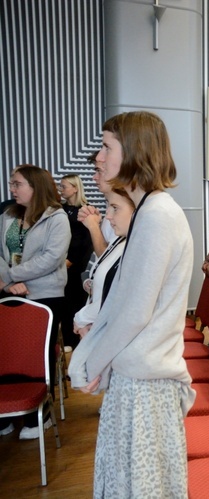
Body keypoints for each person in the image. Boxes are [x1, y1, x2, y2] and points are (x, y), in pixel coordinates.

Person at [68, 111, 194, 497]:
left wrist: (92, 360)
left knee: (141, 487)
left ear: (135, 150)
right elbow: (124, 299)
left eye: (106, 146)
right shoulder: (150, 212)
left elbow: (135, 312)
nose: (100, 158)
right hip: (138, 373)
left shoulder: (156, 214)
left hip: (145, 381)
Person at [0, 165, 71, 440]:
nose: (12, 189)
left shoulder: (57, 218)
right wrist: (8, 283)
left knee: (36, 355)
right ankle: (9, 411)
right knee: (8, 352)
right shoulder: (8, 215)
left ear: (35, 186)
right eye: (11, 183)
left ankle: (39, 415)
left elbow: (52, 259)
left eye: (17, 184)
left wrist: (11, 276)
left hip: (44, 294)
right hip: (8, 292)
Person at [73, 189, 132, 339]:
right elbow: (97, 264)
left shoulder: (134, 247)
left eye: (115, 208)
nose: (108, 216)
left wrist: (81, 318)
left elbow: (115, 298)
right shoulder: (120, 239)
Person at [59, 174, 94, 351]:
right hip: (59, 266)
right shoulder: (59, 209)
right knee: (64, 307)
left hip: (76, 267)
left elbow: (87, 242)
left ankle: (77, 345)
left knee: (76, 305)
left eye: (64, 186)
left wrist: (71, 261)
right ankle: (66, 344)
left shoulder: (86, 210)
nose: (61, 189)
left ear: (75, 188)